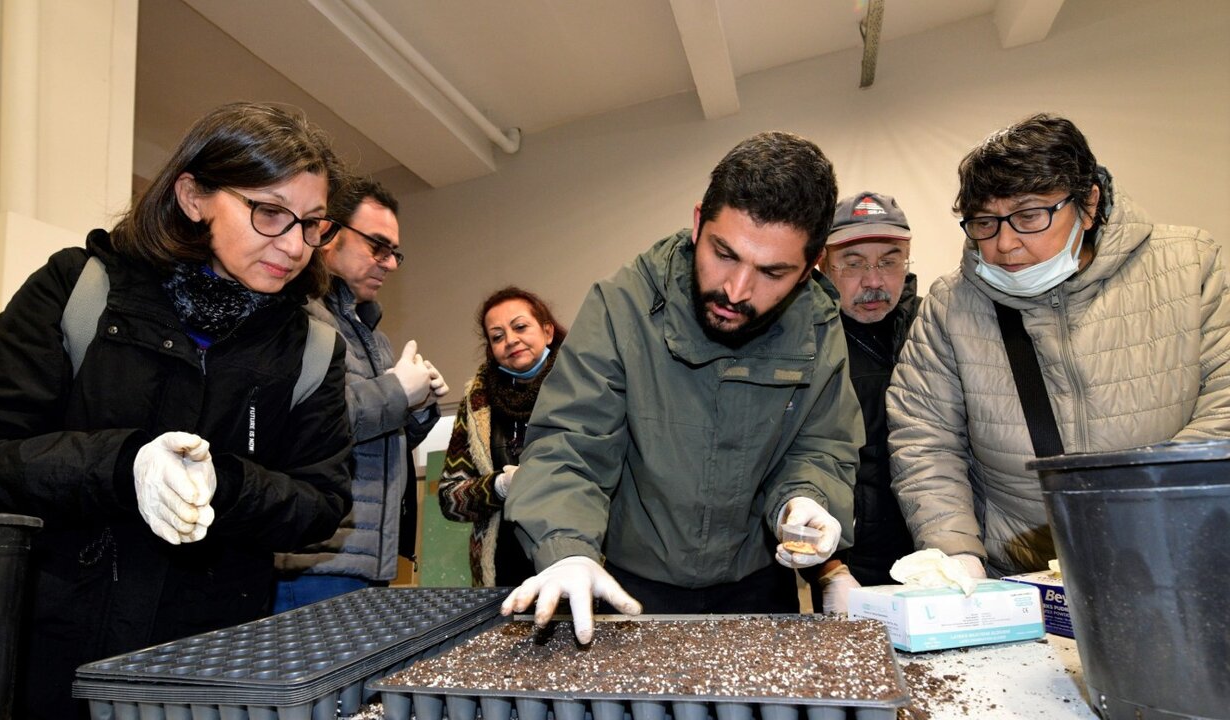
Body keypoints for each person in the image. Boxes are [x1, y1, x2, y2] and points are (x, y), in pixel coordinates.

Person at [0, 102, 354, 720]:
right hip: (50, 657)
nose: (296, 245)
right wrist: (122, 465)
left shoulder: (313, 348)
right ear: (193, 197)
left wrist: (227, 483)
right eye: (270, 213)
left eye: (312, 224)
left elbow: (320, 503)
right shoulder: (77, 290)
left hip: (209, 668)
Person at [501, 131, 863, 642]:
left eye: (772, 272)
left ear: (810, 268)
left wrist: (805, 499)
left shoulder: (818, 324)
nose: (736, 290)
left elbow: (822, 445)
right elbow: (570, 442)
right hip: (629, 584)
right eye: (724, 253)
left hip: (758, 585)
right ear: (698, 223)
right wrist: (566, 548)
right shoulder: (621, 305)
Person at [888, 113, 1230, 579]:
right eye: (985, 222)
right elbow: (924, 438)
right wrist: (955, 554)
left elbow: (1223, 405)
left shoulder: (1188, 266)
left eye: (1029, 216)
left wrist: (1142, 517)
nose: (1005, 244)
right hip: (1022, 569)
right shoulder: (952, 304)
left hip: (1179, 550)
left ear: (1088, 204)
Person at [273, 177, 448, 610]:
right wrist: (396, 391)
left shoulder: (372, 336)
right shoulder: (296, 316)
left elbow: (373, 440)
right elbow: (306, 425)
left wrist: (417, 408)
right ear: (328, 233)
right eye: (377, 246)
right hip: (314, 563)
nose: (389, 263)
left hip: (367, 561)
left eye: (394, 252)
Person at [808, 192, 920, 613]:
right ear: (823, 264)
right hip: (850, 562)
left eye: (889, 262)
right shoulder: (805, 343)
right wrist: (828, 570)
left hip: (938, 553)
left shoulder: (934, 330)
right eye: (853, 264)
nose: (873, 281)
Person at [438, 287, 568, 587]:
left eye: (520, 327)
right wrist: (499, 486)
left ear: (548, 331)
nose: (510, 340)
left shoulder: (584, 384)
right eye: (497, 336)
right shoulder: (477, 403)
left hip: (576, 562)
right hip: (502, 575)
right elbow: (449, 499)